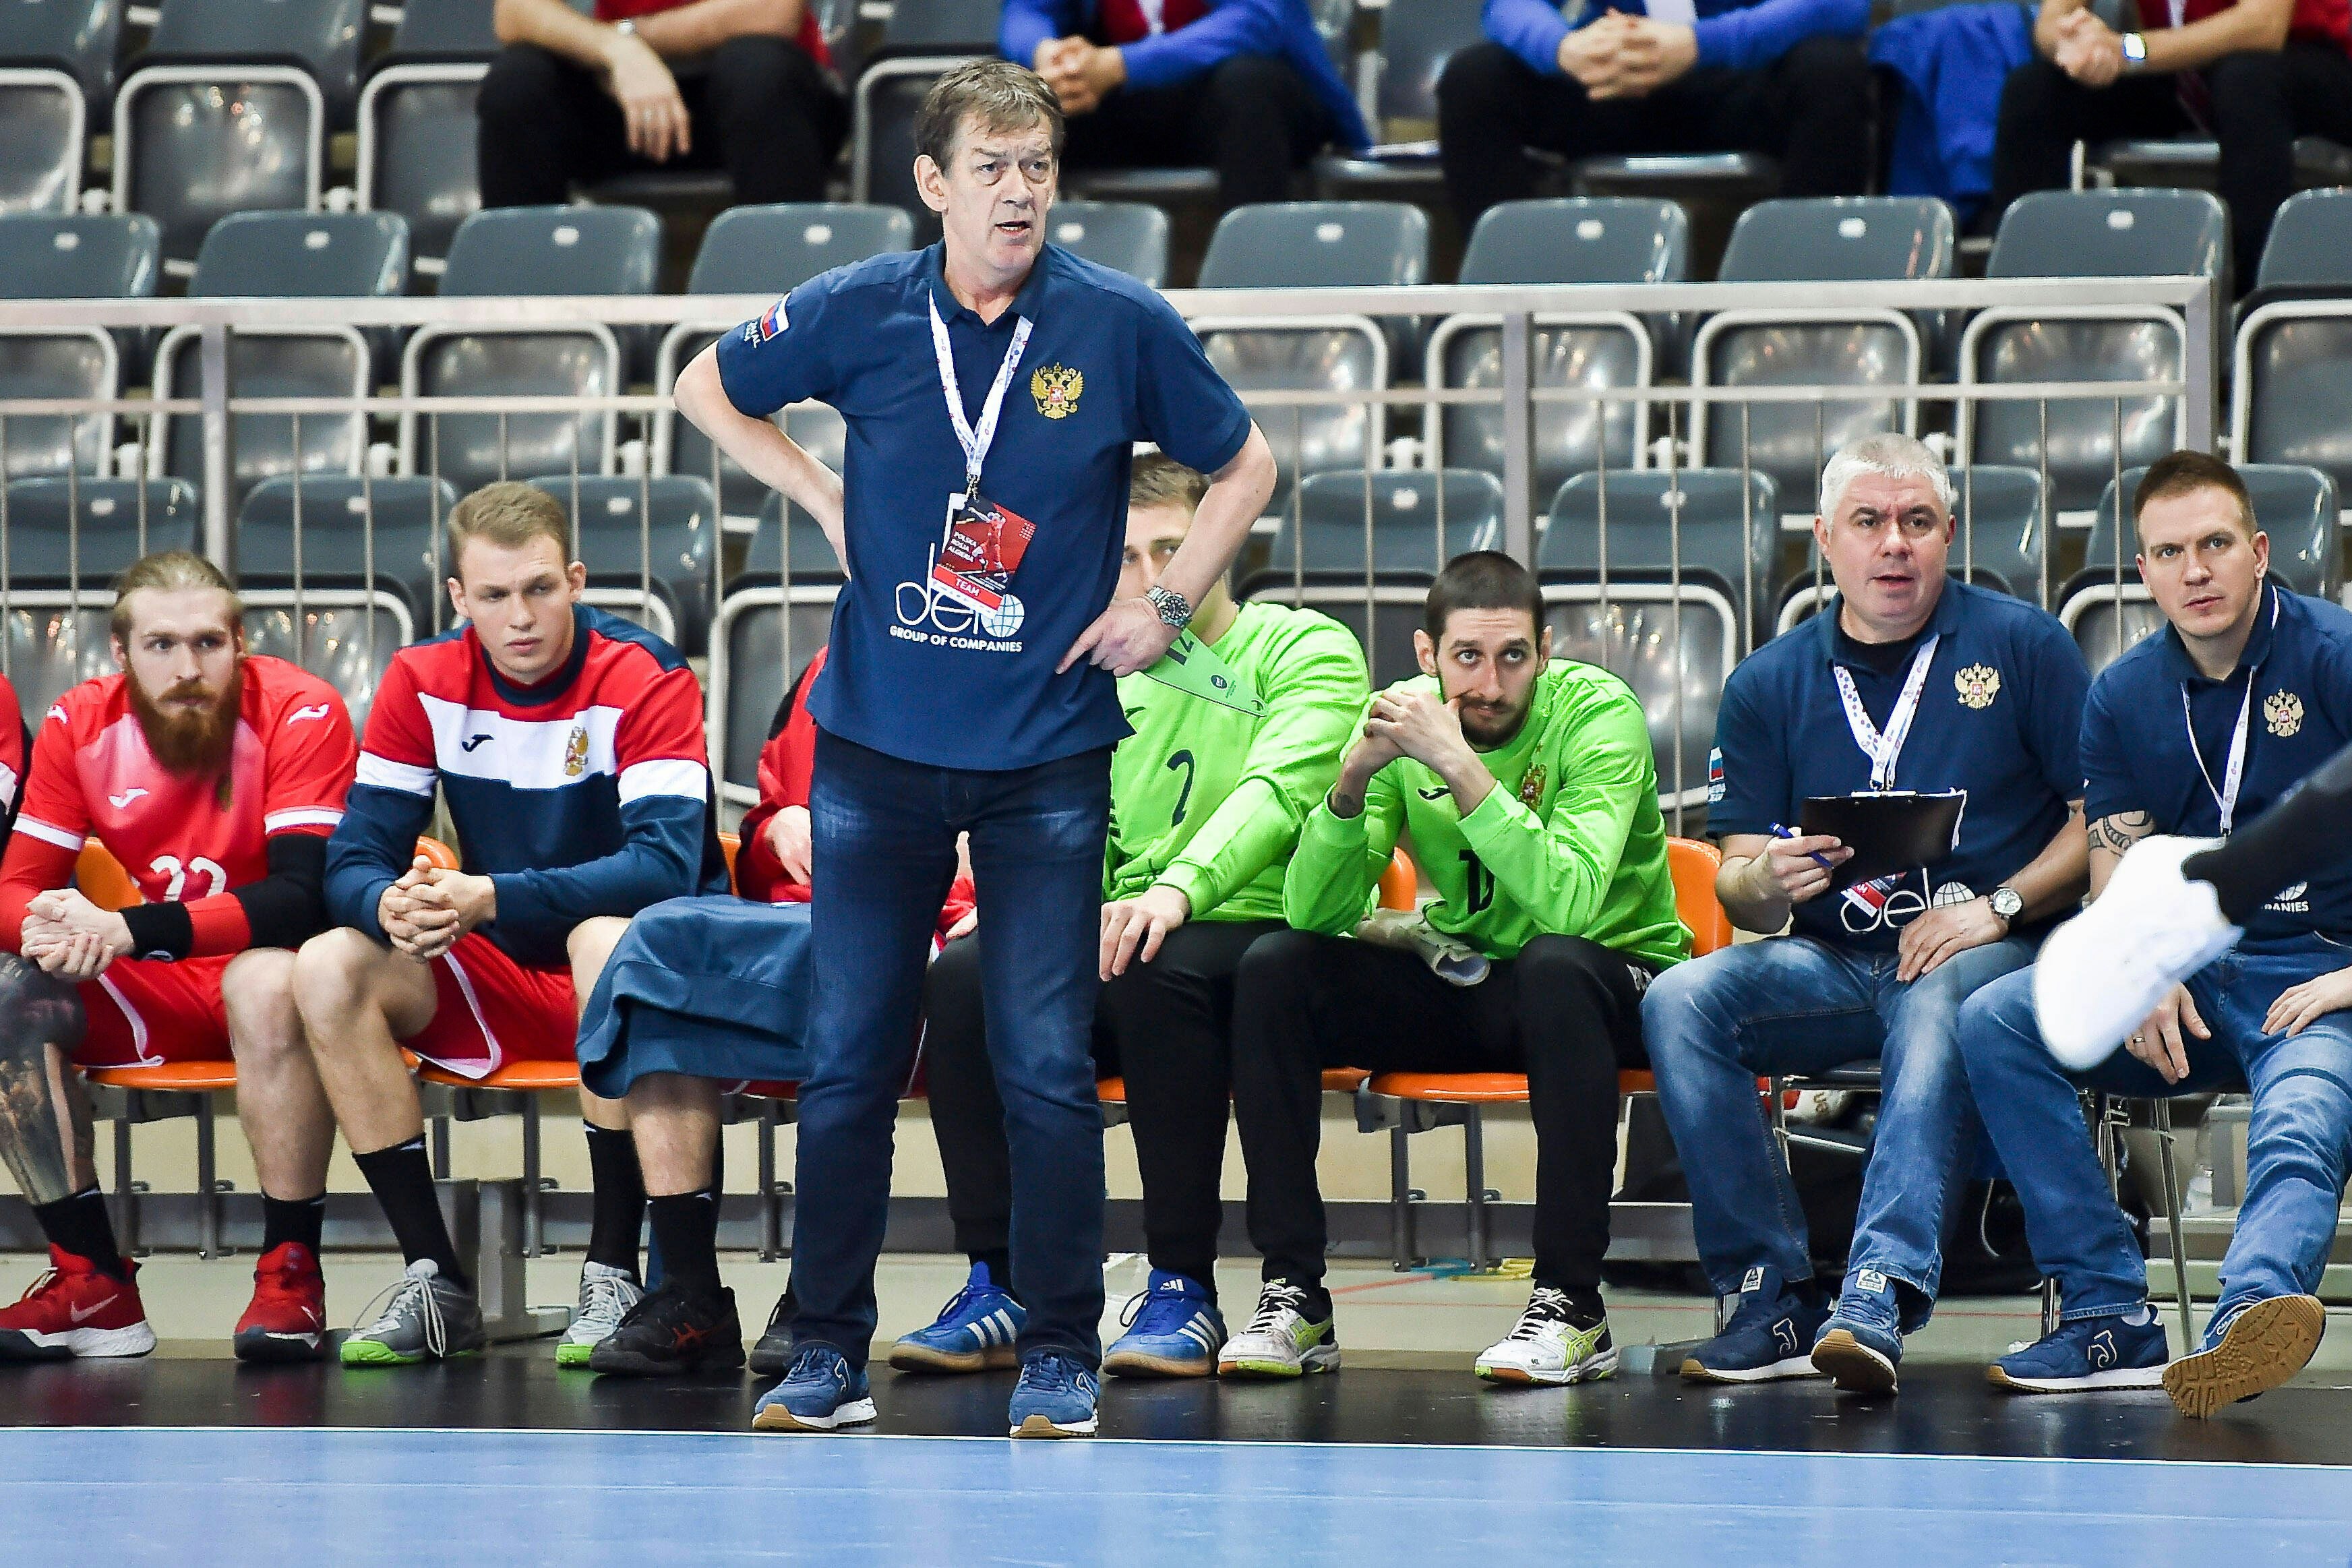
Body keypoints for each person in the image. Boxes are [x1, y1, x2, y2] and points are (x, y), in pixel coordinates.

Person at [673, 59, 1275, 1438]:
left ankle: (1060, 1341)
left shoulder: (1114, 320)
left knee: (1043, 1058)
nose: (1019, 191)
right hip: (876, 744)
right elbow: (709, 384)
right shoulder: (859, 309)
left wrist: (1164, 598)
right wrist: (815, 485)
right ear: (933, 183)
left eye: (1039, 165)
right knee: (846, 1056)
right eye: (991, 167)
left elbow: (1245, 465)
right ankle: (824, 1344)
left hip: (1046, 753)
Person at [897, 453, 1366, 1381]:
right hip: (1128, 923)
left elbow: (1279, 792)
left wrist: (1176, 886)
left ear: (1220, 541)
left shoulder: (1302, 646)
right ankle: (1002, 1277)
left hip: (1261, 927)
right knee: (962, 980)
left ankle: (1181, 1283)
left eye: (1171, 549)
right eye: (1126, 559)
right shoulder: (1104, 667)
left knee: (1159, 960)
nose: (1152, 581)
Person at [1644, 432, 2090, 1394]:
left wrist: (1999, 906)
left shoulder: (2023, 645)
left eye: (1916, 522)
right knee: (1681, 998)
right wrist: (1773, 878)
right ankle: (1768, 1293)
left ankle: (1879, 1286)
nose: (1895, 543)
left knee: (1936, 988)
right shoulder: (1768, 681)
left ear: (1947, 535)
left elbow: (2098, 825)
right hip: (1835, 964)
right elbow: (1734, 881)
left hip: (1993, 953)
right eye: (1870, 521)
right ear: (1825, 540)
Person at [1224, 551, 1689, 1387]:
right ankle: (1295, 1293)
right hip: (1476, 974)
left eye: (1513, 656)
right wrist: (1350, 782)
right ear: (1425, 655)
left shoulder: (1597, 712)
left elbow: (1572, 903)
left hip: (1617, 979)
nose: (1489, 682)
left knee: (1554, 965)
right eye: (1467, 657)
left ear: (1545, 652)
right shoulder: (1397, 730)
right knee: (1276, 967)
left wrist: (1459, 766)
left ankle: (1574, 1305)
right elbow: (1315, 914)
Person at [293, 483, 727, 1368]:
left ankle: (613, 1269)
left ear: (575, 578)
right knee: (327, 964)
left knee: (604, 938)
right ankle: (436, 1277)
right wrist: (386, 902)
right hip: (501, 969)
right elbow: (348, 861)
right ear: (458, 599)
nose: (519, 616)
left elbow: (663, 868)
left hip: (645, 981)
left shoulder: (645, 674)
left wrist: (487, 894)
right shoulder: (422, 678)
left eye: (539, 588)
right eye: (493, 596)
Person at [1964, 452, 2352, 1418]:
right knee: (1999, 1019)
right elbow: (2115, 876)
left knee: (2302, 1114)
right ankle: (2105, 1316)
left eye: (2216, 544)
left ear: (2259, 552)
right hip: (2193, 965)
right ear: (2142, 572)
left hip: (2321, 970)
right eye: (2170, 551)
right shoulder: (2124, 694)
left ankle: (2249, 1318)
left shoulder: (2337, 657)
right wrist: (2141, 965)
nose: (2196, 571)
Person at [568, 651, 975, 1382]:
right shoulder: (824, 671)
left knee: (850, 967)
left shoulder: (992, 662)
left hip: (915, 926)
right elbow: (757, 837)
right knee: (656, 947)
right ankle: (687, 1291)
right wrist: (777, 827)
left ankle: (816, 1296)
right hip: (785, 921)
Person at [0, 553, 355, 1364]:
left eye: (207, 642)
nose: (188, 667)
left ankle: (290, 1274)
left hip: (278, 984)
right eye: (161, 645)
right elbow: (14, 888)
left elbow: (305, 896)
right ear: (121, 655)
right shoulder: (79, 723)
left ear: (240, 643)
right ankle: (92, 1282)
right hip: (153, 985)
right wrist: (53, 925)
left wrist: (128, 929)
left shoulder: (302, 709)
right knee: (6, 993)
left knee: (266, 978)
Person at [1987, 0, 2352, 287]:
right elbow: (2052, 20)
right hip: (2188, 70)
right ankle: (2022, 303)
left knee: (2246, 81)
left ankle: (2251, 300)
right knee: (2034, 92)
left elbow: (2263, 26)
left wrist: (2126, 49)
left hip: (2310, 63)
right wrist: (2074, 44)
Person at [1437, 0, 1873, 231]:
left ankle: (1800, 300)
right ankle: (1515, 300)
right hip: (1614, 84)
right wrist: (1563, 49)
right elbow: (1506, 5)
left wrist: (1701, 43)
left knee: (1831, 71)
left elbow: (1841, 5)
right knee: (1476, 79)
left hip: (1741, 81)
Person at [1000, 0, 1372, 213]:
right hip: (1120, 100)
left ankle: (1254, 303)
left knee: (1249, 87)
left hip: (1243, 101)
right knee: (1027, 103)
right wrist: (1050, 57)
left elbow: (1256, 21)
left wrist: (1120, 65)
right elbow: (1026, 12)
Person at [478, 0, 848, 209]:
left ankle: (788, 311)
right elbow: (514, 13)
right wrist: (619, 51)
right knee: (518, 81)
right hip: (626, 102)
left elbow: (772, 11)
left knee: (757, 69)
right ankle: (523, 315)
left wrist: (637, 37)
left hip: (770, 107)